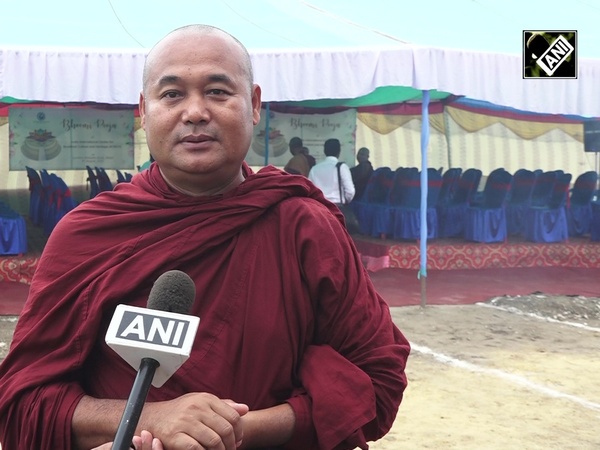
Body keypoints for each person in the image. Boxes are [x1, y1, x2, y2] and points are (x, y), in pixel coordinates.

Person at [0, 24, 410, 450]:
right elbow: (22, 401)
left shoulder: (303, 225)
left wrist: (228, 431)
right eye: (172, 94)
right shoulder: (88, 235)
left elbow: (376, 382)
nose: (195, 112)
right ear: (144, 111)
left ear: (253, 104)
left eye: (217, 91)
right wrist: (151, 418)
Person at [308, 138, 355, 205]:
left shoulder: (314, 169)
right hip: (337, 207)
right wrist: (344, 201)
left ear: (324, 151)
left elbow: (310, 190)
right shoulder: (342, 167)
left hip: (320, 206)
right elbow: (350, 191)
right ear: (339, 151)